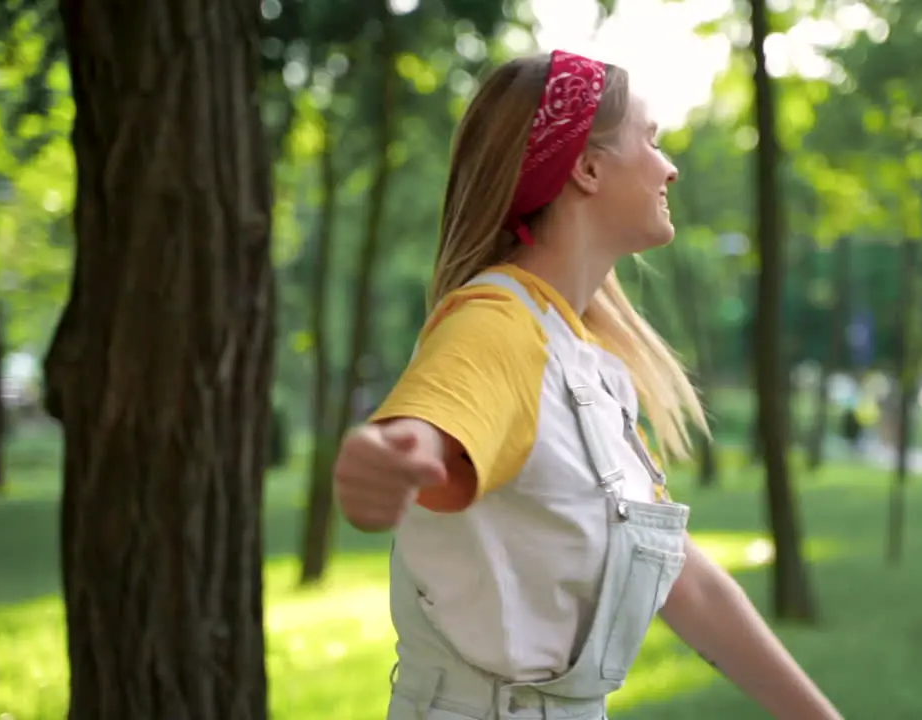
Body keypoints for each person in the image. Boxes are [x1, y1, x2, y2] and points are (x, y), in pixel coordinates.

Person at [332, 49, 843, 720]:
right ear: (587, 166)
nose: (670, 166)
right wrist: (387, 457)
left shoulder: (583, 358)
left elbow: (681, 582)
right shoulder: (495, 324)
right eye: (652, 141)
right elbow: (429, 426)